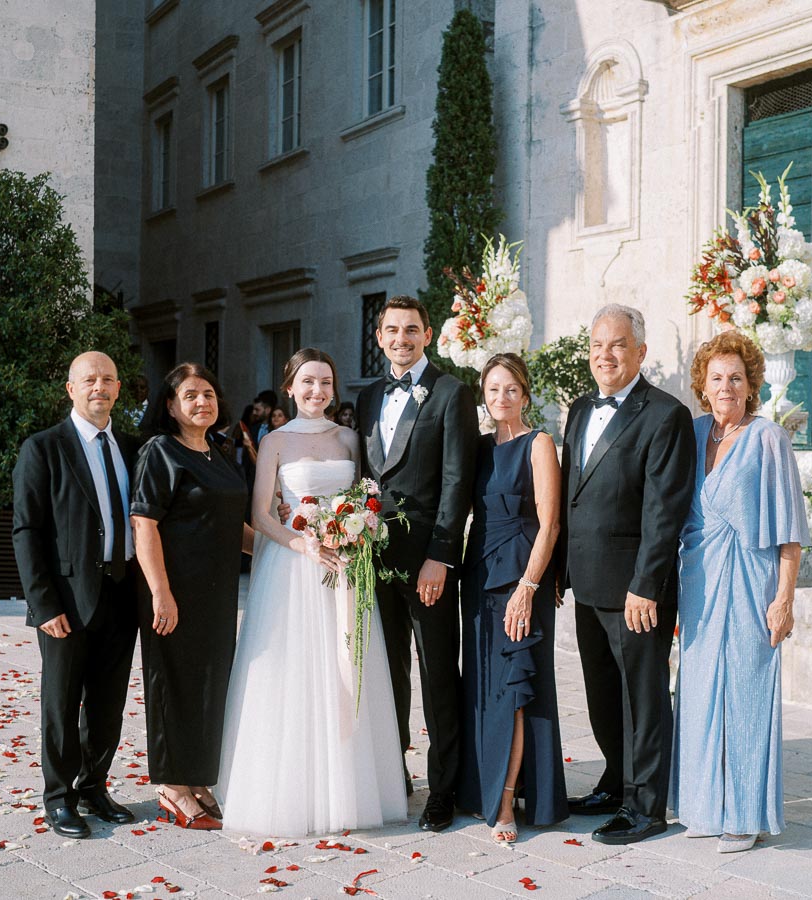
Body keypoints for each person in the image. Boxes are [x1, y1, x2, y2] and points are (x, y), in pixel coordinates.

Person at [218, 349, 406, 836]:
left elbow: (367, 497)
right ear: (290, 386)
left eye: (325, 382)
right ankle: (293, 789)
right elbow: (261, 513)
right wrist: (301, 541)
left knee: (346, 664)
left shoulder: (348, 439)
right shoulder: (276, 441)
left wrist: (357, 531)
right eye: (307, 382)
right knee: (296, 671)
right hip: (294, 568)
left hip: (345, 567)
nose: (317, 391)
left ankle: (352, 786)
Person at [557, 304, 695, 845]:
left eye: (616, 345)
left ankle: (645, 807)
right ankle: (615, 783)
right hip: (588, 582)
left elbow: (665, 511)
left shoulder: (665, 414)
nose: (604, 355)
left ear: (640, 351)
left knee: (643, 698)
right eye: (596, 345)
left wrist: (646, 583)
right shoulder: (577, 410)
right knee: (602, 693)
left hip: (636, 589)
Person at [670, 331, 807, 853]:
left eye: (737, 378)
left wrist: (785, 597)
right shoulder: (694, 430)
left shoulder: (769, 438)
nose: (726, 386)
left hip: (753, 581)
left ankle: (745, 814)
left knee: (747, 694)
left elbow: (790, 529)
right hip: (699, 581)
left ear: (752, 386)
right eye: (717, 378)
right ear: (702, 386)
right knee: (701, 692)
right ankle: (705, 806)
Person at [357, 295, 479, 832]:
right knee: (386, 673)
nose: (401, 338)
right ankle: (392, 774)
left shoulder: (452, 393)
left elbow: (458, 483)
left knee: (435, 675)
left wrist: (440, 557)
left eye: (411, 329)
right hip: (371, 561)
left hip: (427, 563)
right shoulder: (366, 397)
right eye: (391, 330)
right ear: (379, 337)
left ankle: (442, 788)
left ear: (427, 334)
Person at [12, 351, 140, 839]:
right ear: (71, 388)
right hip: (66, 600)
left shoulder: (132, 447)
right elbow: (27, 531)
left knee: (108, 702)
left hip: (122, 592)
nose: (99, 387)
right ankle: (59, 797)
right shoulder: (43, 448)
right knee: (62, 703)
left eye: (107, 379)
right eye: (89, 380)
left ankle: (94, 787)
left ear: (118, 388)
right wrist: (43, 604)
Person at [131, 363, 252, 830]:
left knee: (209, 683)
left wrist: (292, 549)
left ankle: (198, 777)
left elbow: (233, 526)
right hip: (174, 590)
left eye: (209, 393)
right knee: (174, 684)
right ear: (170, 406)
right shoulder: (160, 451)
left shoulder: (216, 452)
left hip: (217, 593)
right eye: (190, 395)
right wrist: (160, 592)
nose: (202, 402)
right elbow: (144, 525)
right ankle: (171, 785)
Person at [457, 354, 568, 845]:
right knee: (485, 688)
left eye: (510, 389)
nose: (501, 398)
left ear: (525, 393)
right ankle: (482, 787)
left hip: (522, 579)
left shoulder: (538, 443)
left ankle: (506, 803)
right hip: (479, 577)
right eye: (492, 389)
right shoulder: (479, 448)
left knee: (516, 690)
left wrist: (528, 588)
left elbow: (551, 523)